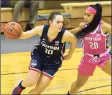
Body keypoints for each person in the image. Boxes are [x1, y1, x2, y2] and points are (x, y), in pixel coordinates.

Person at [8, 12, 77, 94]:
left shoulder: (65, 35)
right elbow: (24, 35)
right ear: (50, 22)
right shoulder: (41, 29)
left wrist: (69, 55)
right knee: (31, 81)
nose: (60, 25)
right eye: (58, 22)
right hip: (39, 56)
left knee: (37, 91)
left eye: (61, 22)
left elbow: (74, 40)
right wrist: (16, 30)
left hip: (53, 62)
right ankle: (21, 85)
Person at [67, 3, 111, 94]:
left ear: (95, 16)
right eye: (85, 14)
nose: (85, 17)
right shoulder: (83, 26)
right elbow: (73, 32)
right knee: (78, 84)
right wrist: (59, 33)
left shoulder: (104, 27)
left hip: (103, 58)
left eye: (88, 15)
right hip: (88, 58)